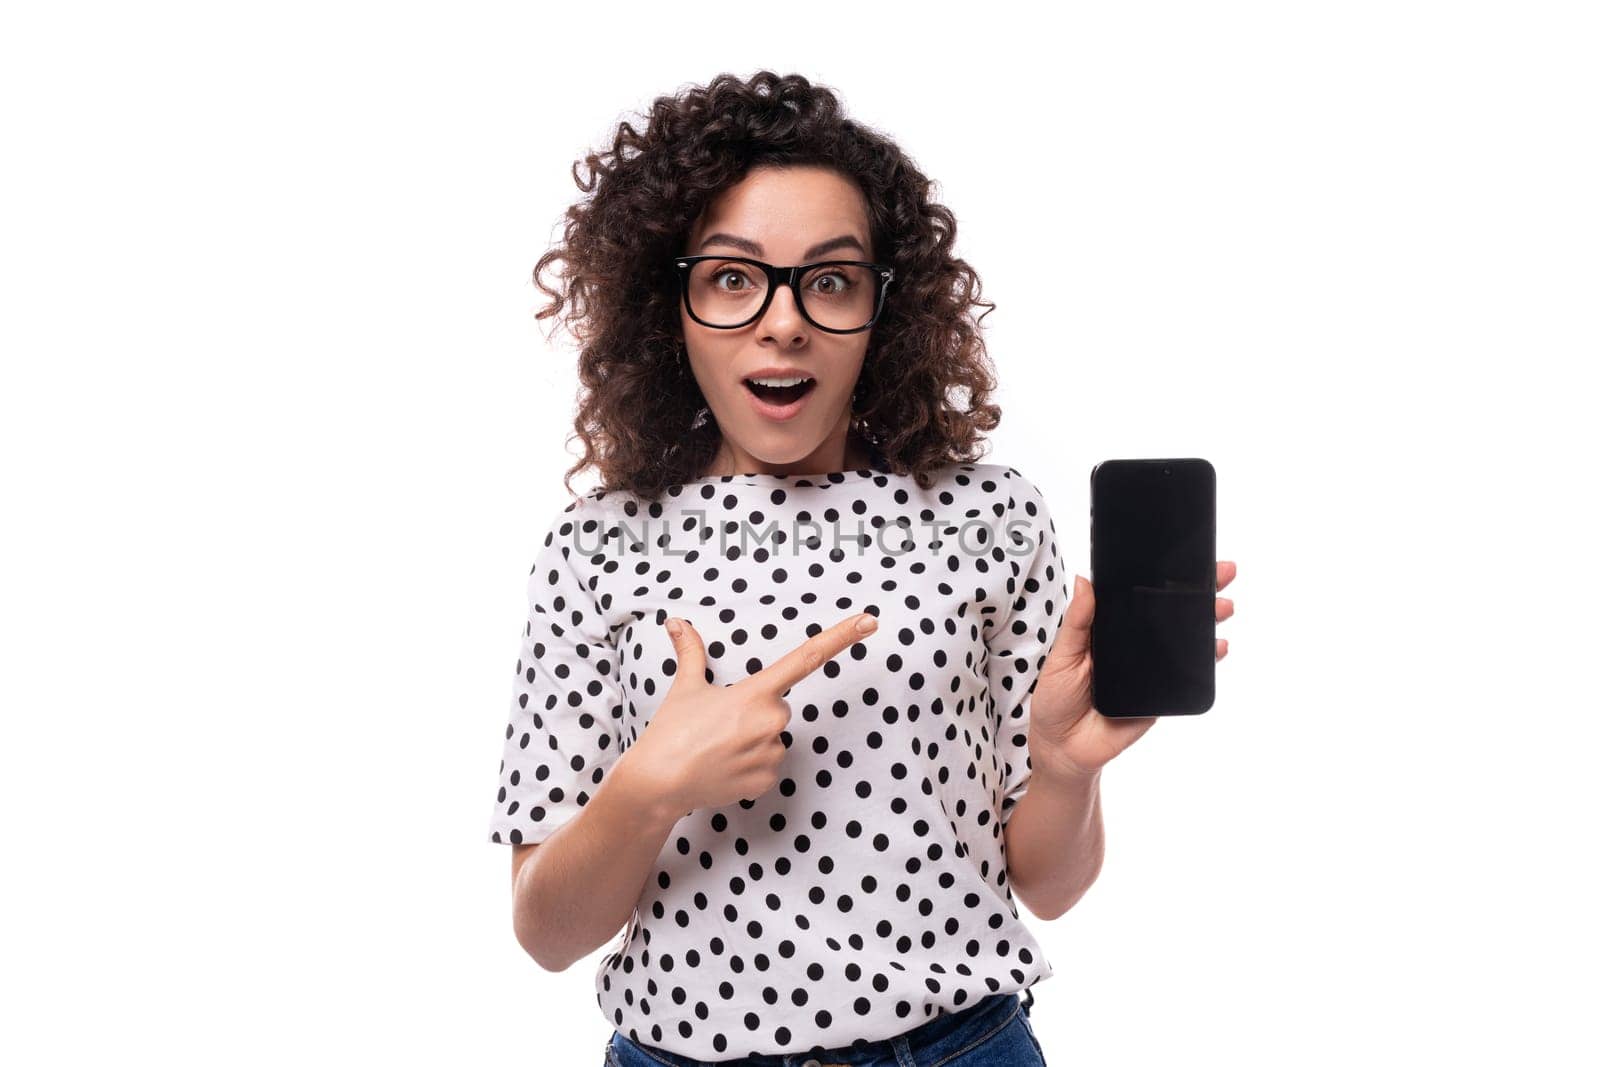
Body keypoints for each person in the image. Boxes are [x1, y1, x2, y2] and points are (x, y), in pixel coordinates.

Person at [488, 71, 1237, 1067]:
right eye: (732, 276)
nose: (785, 320)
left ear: (886, 309)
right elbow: (545, 932)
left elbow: (1049, 885)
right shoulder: (597, 547)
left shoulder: (990, 514)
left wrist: (1062, 767)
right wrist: (648, 787)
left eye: (831, 279)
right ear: (668, 305)